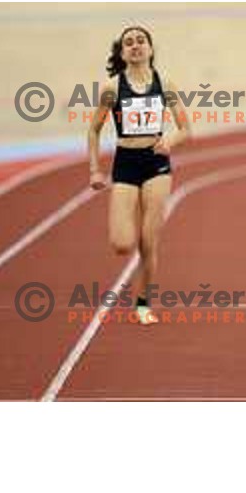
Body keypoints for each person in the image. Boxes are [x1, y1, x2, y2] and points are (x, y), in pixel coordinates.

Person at [88, 26, 190, 324]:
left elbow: (185, 129)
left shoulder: (164, 83)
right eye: (129, 43)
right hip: (126, 162)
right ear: (122, 53)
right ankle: (134, 264)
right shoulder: (112, 87)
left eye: (140, 41)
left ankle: (143, 302)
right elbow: (93, 130)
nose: (135, 46)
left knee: (149, 240)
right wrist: (95, 169)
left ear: (150, 49)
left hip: (156, 163)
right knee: (122, 244)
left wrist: (169, 140)